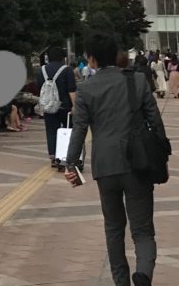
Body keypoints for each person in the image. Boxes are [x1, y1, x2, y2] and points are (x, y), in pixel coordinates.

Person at [65, 32, 166, 286]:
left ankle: (121, 282)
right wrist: (162, 150)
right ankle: (143, 272)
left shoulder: (86, 88)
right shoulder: (137, 81)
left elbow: (79, 129)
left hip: (105, 166)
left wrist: (71, 164)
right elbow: (155, 120)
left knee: (113, 227)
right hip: (138, 163)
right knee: (142, 229)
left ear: (91, 60)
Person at [37, 46, 77, 169]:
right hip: (65, 106)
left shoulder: (42, 70)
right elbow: (71, 90)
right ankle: (65, 156)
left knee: (51, 131)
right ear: (62, 58)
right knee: (67, 131)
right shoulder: (67, 70)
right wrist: (75, 105)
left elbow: (40, 88)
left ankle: (53, 157)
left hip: (48, 106)